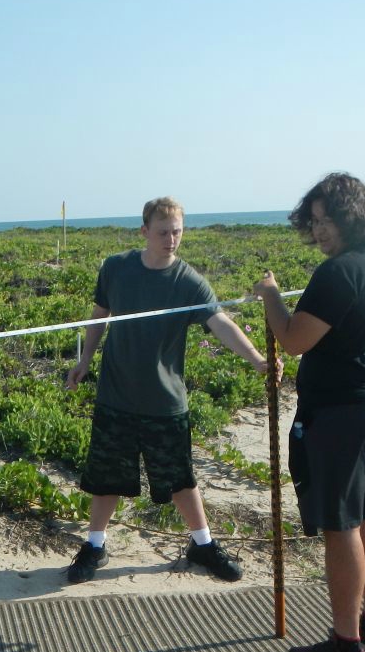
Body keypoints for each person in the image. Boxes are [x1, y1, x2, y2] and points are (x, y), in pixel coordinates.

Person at [254, 172, 365, 652]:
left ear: (353, 217)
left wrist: (270, 295)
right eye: (315, 222)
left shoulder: (338, 272)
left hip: (345, 412)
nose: (320, 232)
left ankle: (346, 645)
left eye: (328, 221)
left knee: (342, 525)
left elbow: (294, 338)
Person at [64, 196, 274, 585]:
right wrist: (84, 361)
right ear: (144, 231)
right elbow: (98, 316)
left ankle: (203, 544)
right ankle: (95, 545)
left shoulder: (189, 282)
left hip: (165, 401)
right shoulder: (116, 268)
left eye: (177, 231)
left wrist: (257, 360)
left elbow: (220, 322)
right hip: (116, 395)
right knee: (106, 476)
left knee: (179, 478)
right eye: (163, 232)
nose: (171, 239)